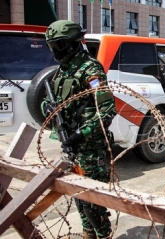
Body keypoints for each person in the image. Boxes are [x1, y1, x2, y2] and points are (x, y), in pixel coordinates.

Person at [43, 20, 117, 239]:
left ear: (74, 43)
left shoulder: (91, 70)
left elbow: (106, 110)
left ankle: (103, 235)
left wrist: (80, 134)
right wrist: (46, 107)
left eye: (60, 45)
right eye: (52, 46)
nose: (57, 51)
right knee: (80, 197)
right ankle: (88, 234)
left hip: (90, 148)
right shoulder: (61, 72)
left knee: (93, 201)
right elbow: (51, 102)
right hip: (73, 147)